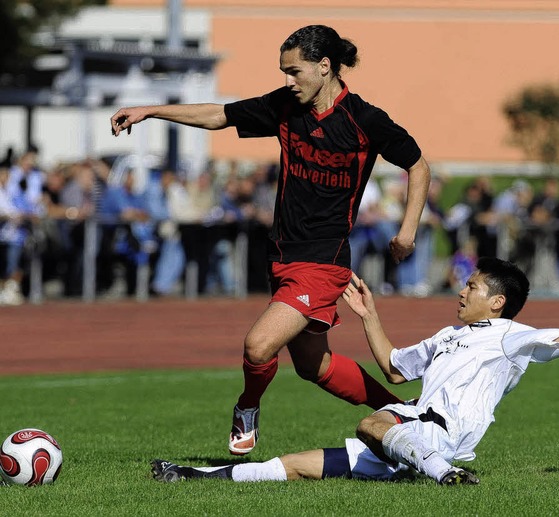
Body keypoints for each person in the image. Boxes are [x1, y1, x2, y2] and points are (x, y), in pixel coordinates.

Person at [111, 24, 430, 456]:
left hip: (323, 261)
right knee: (314, 366)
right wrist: (150, 110)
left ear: (325, 66)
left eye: (294, 71)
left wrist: (407, 230)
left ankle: (247, 407)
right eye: (283, 72)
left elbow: (418, 165)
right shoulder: (286, 107)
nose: (287, 81)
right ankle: (404, 416)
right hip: (281, 257)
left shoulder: (364, 120)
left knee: (258, 345)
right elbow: (219, 115)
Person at [150, 246, 559, 485]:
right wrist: (370, 316)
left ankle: (440, 472)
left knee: (371, 420)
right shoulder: (449, 335)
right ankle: (192, 475)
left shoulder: (512, 338)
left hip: (439, 434)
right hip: (410, 432)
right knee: (299, 466)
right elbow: (394, 369)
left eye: (472, 286)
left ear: (497, 302)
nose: (462, 290)